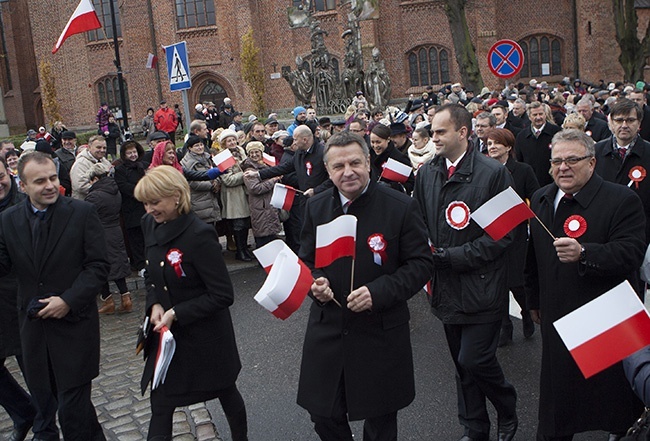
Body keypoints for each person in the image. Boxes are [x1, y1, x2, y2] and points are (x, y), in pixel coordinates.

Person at [298, 131, 433, 441]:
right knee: (323, 413)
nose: (348, 172)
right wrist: (313, 284)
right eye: (338, 166)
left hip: (380, 330)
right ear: (328, 170)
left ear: (369, 162)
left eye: (355, 163)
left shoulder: (399, 206)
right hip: (329, 327)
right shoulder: (316, 207)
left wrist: (378, 292)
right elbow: (304, 261)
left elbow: (421, 264)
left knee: (380, 421)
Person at [525, 129, 646, 440]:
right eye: (556, 161)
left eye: (572, 160)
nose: (563, 167)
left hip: (606, 319)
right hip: (558, 315)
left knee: (615, 405)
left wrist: (585, 253)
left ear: (592, 163)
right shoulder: (541, 198)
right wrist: (533, 300)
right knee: (558, 406)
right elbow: (533, 258)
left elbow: (631, 252)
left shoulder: (622, 199)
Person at [413, 103, 518, 441]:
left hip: (483, 287)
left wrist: (455, 257)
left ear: (463, 132)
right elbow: (417, 223)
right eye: (432, 131)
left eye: (440, 131)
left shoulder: (494, 173)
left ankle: (506, 406)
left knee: (474, 360)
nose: (434, 137)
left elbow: (505, 235)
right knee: (461, 367)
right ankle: (475, 428)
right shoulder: (428, 172)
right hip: (445, 287)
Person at [0, 151, 109, 440]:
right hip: (35, 332)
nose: (49, 185)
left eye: (52, 178)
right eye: (39, 181)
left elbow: (98, 267)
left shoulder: (81, 213)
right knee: (68, 408)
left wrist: (68, 301)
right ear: (22, 185)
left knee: (72, 413)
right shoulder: (8, 221)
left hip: (74, 328)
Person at [134, 166, 248, 441]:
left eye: (155, 202)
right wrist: (155, 304)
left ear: (176, 197)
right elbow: (151, 273)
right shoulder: (149, 223)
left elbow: (222, 294)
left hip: (205, 336)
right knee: (160, 404)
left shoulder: (199, 234)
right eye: (145, 203)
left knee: (225, 390)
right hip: (169, 337)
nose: (149, 209)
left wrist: (176, 311)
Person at [485, 128, 539, 346]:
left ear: (508, 146)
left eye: (497, 143)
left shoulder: (523, 170)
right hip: (492, 234)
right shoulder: (484, 170)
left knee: (516, 282)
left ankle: (526, 312)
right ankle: (504, 327)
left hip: (516, 234)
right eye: (489, 144)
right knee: (497, 284)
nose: (492, 147)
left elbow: (535, 196)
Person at [0, 156, 40, 441]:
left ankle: (44, 425)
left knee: (33, 368)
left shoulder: (24, 208)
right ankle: (23, 411)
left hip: (22, 301)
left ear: (8, 173)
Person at [595, 98, 650, 245]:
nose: (624, 125)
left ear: (639, 123)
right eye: (619, 120)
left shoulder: (648, 152)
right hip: (604, 230)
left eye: (630, 120)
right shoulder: (595, 152)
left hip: (642, 230)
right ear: (610, 123)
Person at [85, 164, 132, 314]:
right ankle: (126, 298)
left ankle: (108, 300)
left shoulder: (94, 196)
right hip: (115, 230)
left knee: (101, 265)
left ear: (96, 178)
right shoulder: (115, 191)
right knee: (118, 263)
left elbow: (86, 215)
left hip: (100, 233)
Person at [217, 129, 253, 261]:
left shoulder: (241, 152)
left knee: (244, 223)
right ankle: (240, 250)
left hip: (243, 192)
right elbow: (228, 179)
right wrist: (244, 174)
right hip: (232, 194)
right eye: (229, 141)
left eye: (233, 139)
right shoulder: (223, 157)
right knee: (238, 223)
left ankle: (244, 248)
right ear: (224, 143)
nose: (232, 142)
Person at [114, 140, 147, 277]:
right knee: (136, 239)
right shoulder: (120, 170)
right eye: (129, 153)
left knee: (146, 236)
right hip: (131, 208)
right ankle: (139, 264)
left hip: (145, 206)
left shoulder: (142, 166)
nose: (133, 155)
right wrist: (140, 191)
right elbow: (123, 186)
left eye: (134, 152)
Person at [241, 141, 282, 248]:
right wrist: (273, 180)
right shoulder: (249, 170)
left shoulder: (265, 165)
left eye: (257, 152)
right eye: (251, 153)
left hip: (268, 205)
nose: (254, 155)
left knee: (271, 236)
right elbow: (255, 188)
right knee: (262, 237)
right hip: (260, 207)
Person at [179, 135, 222, 231]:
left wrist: (217, 182)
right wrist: (211, 186)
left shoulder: (208, 158)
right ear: (190, 148)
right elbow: (193, 182)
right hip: (199, 200)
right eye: (196, 146)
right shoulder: (186, 162)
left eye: (201, 145)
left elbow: (216, 171)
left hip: (211, 199)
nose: (200, 148)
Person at [515, 101, 561, 187]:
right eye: (535, 115)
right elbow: (519, 160)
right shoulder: (521, 136)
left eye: (541, 114)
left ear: (545, 114)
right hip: (530, 183)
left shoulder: (557, 133)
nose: (538, 117)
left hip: (552, 182)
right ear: (529, 117)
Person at [368, 124, 414, 194]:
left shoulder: (400, 158)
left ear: (388, 140)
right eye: (372, 142)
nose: (375, 146)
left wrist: (391, 186)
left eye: (378, 142)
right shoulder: (369, 155)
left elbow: (411, 184)